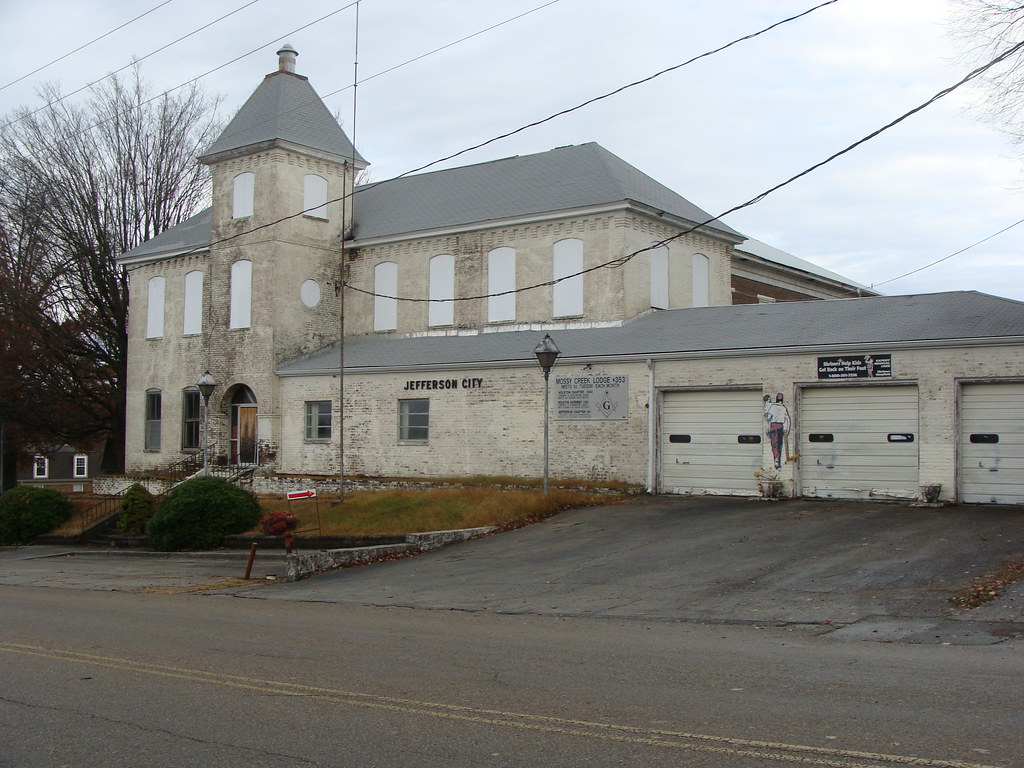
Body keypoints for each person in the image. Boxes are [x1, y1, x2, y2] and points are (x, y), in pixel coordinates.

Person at [764, 393, 791, 469]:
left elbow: (768, 417)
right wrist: (787, 429)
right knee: (779, 444)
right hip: (781, 427)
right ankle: (778, 460)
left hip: (774, 426)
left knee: (774, 444)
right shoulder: (783, 408)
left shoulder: (773, 407)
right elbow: (787, 419)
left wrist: (766, 414)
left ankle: (776, 460)